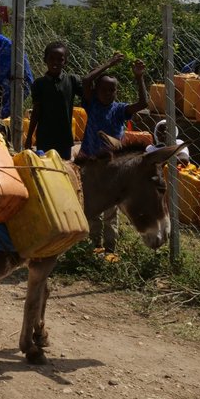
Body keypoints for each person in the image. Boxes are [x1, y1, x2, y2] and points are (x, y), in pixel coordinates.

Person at [79, 52, 148, 252]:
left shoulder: (119, 110)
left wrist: (139, 78)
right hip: (92, 165)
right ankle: (94, 244)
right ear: (96, 91)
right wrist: (109, 63)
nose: (108, 93)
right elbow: (86, 80)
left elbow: (143, 104)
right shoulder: (92, 104)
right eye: (104, 89)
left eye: (112, 90)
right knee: (92, 207)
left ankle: (110, 247)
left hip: (112, 168)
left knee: (110, 210)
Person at [25, 42, 82, 160]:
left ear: (65, 61)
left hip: (64, 139)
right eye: (51, 58)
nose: (55, 62)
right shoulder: (39, 84)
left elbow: (88, 93)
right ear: (45, 60)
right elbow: (36, 112)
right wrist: (29, 137)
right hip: (45, 138)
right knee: (45, 167)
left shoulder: (72, 81)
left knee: (64, 166)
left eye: (60, 59)